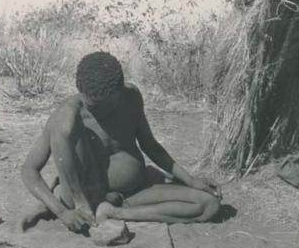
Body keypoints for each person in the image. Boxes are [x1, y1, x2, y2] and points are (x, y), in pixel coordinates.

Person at [20, 51, 221, 233]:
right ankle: (95, 209)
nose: (97, 112)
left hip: (132, 194)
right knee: (64, 128)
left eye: (105, 106)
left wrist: (190, 180)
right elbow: (29, 170)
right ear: (80, 90)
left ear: (119, 91)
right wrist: (63, 213)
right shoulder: (68, 116)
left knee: (209, 204)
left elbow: (150, 146)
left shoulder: (131, 97)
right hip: (85, 203)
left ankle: (113, 213)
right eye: (92, 105)